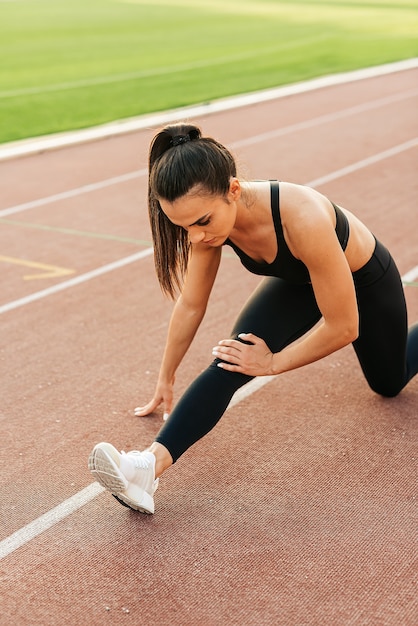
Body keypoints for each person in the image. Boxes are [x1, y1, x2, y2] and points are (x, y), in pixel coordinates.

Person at [88, 123, 418, 514]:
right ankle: (145, 468)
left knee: (388, 383)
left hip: (366, 281)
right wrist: (166, 376)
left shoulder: (301, 217)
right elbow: (192, 305)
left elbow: (344, 326)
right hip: (299, 281)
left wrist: (273, 363)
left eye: (202, 223)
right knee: (233, 358)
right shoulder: (209, 227)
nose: (194, 237)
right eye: (183, 227)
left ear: (233, 190)